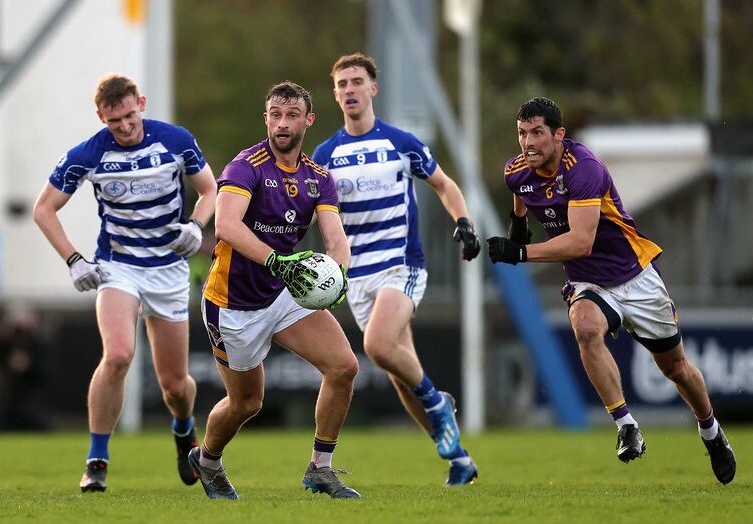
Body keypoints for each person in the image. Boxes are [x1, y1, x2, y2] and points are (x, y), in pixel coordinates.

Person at [487, 96, 736, 485]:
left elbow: (580, 243)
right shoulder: (517, 170)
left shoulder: (583, 169)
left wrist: (520, 251)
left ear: (559, 135)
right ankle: (626, 425)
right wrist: (517, 222)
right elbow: (520, 190)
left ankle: (711, 433)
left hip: (634, 276)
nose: (528, 142)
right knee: (585, 325)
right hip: (589, 282)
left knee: (676, 369)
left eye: (537, 133)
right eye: (522, 133)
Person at [32, 73, 218, 492]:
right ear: (101, 116)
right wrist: (74, 260)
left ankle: (183, 428)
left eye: (130, 116)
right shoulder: (89, 153)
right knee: (117, 355)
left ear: (142, 104)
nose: (125, 127)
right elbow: (43, 209)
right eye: (115, 121)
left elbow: (211, 190)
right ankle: (97, 460)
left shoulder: (174, 140)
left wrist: (195, 226)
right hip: (119, 267)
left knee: (175, 386)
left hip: (169, 269)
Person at [312, 52, 481, 487]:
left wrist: (463, 223)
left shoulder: (400, 142)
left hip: (400, 264)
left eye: (356, 81)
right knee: (398, 373)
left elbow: (444, 184)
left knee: (379, 345)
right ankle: (459, 460)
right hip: (357, 276)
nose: (349, 89)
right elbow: (309, 210)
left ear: (373, 89)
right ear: (335, 95)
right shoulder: (325, 154)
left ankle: (438, 402)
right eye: (342, 84)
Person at [192, 81, 360, 500]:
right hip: (232, 302)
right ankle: (208, 459)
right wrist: (274, 260)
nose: (282, 124)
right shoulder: (245, 166)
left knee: (344, 367)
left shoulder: (319, 178)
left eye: (291, 115)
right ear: (265, 118)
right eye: (275, 115)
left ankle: (320, 469)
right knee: (247, 403)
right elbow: (225, 226)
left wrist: (338, 274)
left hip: (282, 293)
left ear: (308, 119)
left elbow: (336, 238)